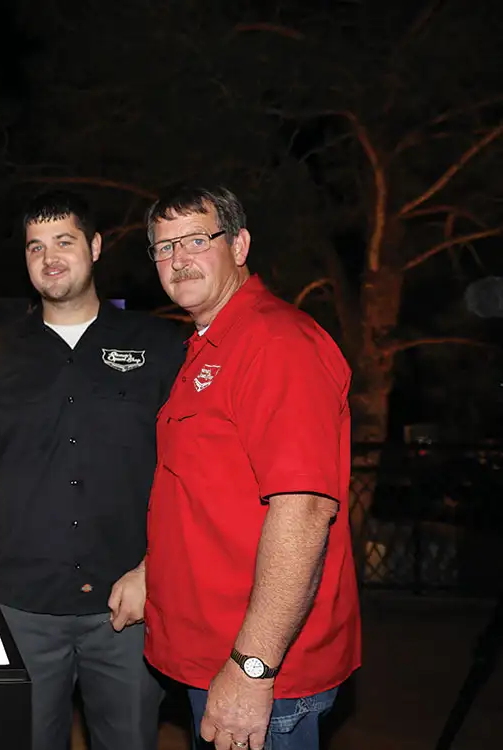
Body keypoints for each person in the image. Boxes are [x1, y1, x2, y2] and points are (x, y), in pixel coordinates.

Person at [0, 190, 186, 750]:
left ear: (95, 247)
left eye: (64, 242)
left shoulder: (159, 346)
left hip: (129, 606)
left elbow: (185, 471)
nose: (50, 258)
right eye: (35, 248)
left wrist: (153, 568)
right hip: (22, 608)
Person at [140, 184, 362, 750]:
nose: (178, 259)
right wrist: (151, 571)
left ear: (239, 245)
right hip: (214, 652)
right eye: (163, 248)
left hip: (258, 668)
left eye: (196, 239)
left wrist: (252, 667)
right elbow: (204, 489)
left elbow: (306, 509)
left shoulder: (274, 340)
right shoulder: (208, 345)